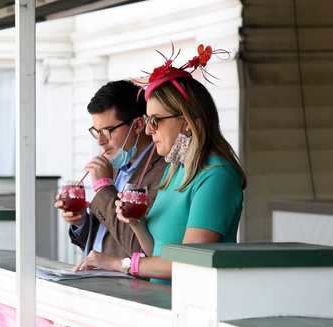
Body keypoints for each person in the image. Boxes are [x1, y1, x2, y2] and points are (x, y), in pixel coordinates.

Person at [87, 44, 246, 282]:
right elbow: (157, 252)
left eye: (156, 121)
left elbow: (190, 262)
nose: (149, 131)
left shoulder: (216, 175)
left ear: (186, 121)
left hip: (193, 306)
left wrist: (117, 263)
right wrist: (137, 224)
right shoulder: (175, 168)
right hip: (160, 301)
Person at [54, 80, 166, 267]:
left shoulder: (162, 170)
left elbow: (140, 248)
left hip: (130, 288)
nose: (100, 141)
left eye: (107, 131)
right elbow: (104, 238)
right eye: (96, 132)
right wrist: (81, 221)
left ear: (138, 125)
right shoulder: (113, 165)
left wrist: (104, 187)